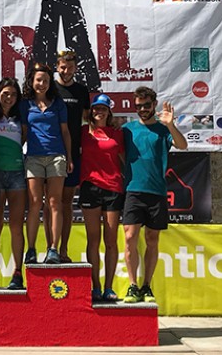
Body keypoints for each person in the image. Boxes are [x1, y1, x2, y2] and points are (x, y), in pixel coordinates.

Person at [122, 86, 187, 303]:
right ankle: (132, 285)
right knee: (130, 237)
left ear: (154, 104)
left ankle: (146, 286)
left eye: (146, 105)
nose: (142, 109)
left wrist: (170, 125)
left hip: (157, 191)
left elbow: (182, 145)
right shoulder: (127, 129)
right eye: (138, 106)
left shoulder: (163, 129)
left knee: (152, 238)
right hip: (133, 190)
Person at [20, 63, 73, 265]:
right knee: (34, 203)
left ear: (50, 83)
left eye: (45, 81)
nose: (42, 84)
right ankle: (31, 249)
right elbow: (24, 133)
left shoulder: (58, 103)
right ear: (32, 82)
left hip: (56, 156)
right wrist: (18, 153)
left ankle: (53, 249)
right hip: (33, 157)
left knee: (54, 203)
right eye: (38, 80)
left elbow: (65, 132)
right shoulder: (25, 104)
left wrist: (69, 157)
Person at [79, 94, 124, 301]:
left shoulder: (117, 134)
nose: (99, 112)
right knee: (93, 240)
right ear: (91, 111)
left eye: (103, 109)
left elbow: (126, 159)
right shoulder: (83, 133)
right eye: (96, 108)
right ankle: (95, 286)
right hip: (90, 187)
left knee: (111, 241)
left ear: (109, 112)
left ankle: (109, 287)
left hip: (113, 188)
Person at [0, 78, 26, 290]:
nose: (9, 98)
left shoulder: (20, 120)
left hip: (17, 174)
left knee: (16, 226)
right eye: (5, 93)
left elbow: (24, 141)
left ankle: (17, 274)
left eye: (13, 94)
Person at [49, 50, 90, 263]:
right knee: (51, 203)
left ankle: (63, 251)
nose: (66, 71)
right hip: (49, 152)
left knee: (66, 203)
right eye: (63, 67)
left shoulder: (82, 91)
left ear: (75, 68)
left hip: (73, 154)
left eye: (70, 67)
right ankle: (50, 249)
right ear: (57, 66)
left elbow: (87, 119)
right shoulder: (49, 88)